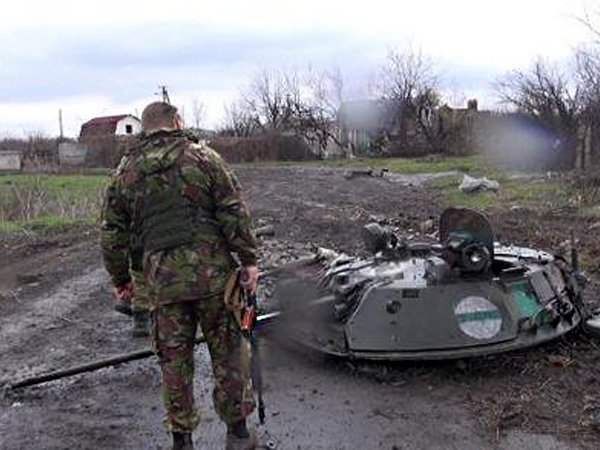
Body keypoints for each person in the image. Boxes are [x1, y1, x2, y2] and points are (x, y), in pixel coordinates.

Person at [100, 101, 260, 450]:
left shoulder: (126, 171)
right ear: (176, 121)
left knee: (174, 362)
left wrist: (121, 281)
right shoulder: (204, 158)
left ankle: (182, 440)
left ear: (144, 128)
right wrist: (248, 260)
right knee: (229, 354)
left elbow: (113, 232)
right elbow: (233, 211)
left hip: (162, 284)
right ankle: (238, 434)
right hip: (213, 281)